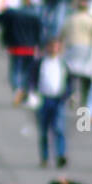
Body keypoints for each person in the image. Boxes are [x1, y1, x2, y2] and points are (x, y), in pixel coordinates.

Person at [33, 38, 69, 168]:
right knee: (43, 131)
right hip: (44, 99)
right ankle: (44, 157)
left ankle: (60, 155)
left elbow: (69, 81)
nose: (54, 49)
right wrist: (33, 93)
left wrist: (67, 95)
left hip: (58, 100)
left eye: (56, 47)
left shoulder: (62, 63)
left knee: (59, 129)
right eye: (51, 47)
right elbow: (33, 79)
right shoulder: (41, 62)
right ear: (47, 48)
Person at [0, 0, 42, 103]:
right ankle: (25, 90)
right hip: (30, 47)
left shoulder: (13, 15)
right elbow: (38, 33)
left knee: (15, 70)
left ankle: (17, 90)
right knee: (27, 71)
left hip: (16, 46)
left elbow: (7, 31)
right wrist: (38, 44)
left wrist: (5, 41)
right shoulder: (35, 16)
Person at [62, 0, 92, 105]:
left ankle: (71, 94)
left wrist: (60, 46)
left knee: (71, 72)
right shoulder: (91, 20)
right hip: (87, 48)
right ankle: (86, 95)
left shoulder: (70, 19)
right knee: (87, 73)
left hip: (72, 47)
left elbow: (62, 34)